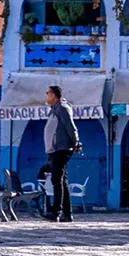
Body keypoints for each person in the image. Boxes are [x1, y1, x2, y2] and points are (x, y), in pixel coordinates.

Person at [42, 84, 80, 222]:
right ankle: (66, 213)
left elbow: (70, 126)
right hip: (54, 150)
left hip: (61, 149)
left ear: (53, 95)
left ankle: (55, 212)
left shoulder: (62, 108)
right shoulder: (54, 110)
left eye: (47, 93)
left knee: (57, 180)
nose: (46, 96)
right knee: (60, 181)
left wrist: (76, 142)